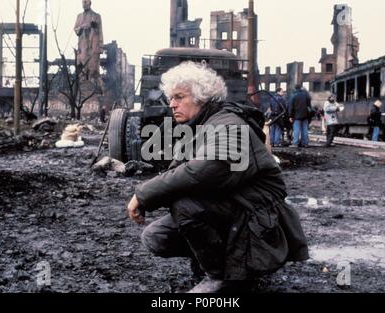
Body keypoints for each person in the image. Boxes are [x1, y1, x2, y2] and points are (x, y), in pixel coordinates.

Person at [126, 62, 309, 293]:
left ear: (201, 97)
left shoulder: (229, 125)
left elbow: (206, 171)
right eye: (171, 98)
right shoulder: (200, 126)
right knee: (156, 237)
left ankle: (221, 276)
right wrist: (150, 196)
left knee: (185, 206)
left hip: (260, 217)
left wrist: (143, 195)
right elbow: (177, 171)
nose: (172, 104)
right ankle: (217, 262)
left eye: (179, 97)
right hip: (238, 208)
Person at [74, 0, 104, 81]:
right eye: (83, 2)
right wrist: (82, 27)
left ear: (90, 3)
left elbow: (100, 31)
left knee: (93, 66)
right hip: (83, 44)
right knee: (82, 65)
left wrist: (101, 46)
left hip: (93, 44)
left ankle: (93, 82)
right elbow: (76, 29)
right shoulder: (79, 16)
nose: (84, 4)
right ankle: (82, 80)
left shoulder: (96, 16)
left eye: (86, 2)